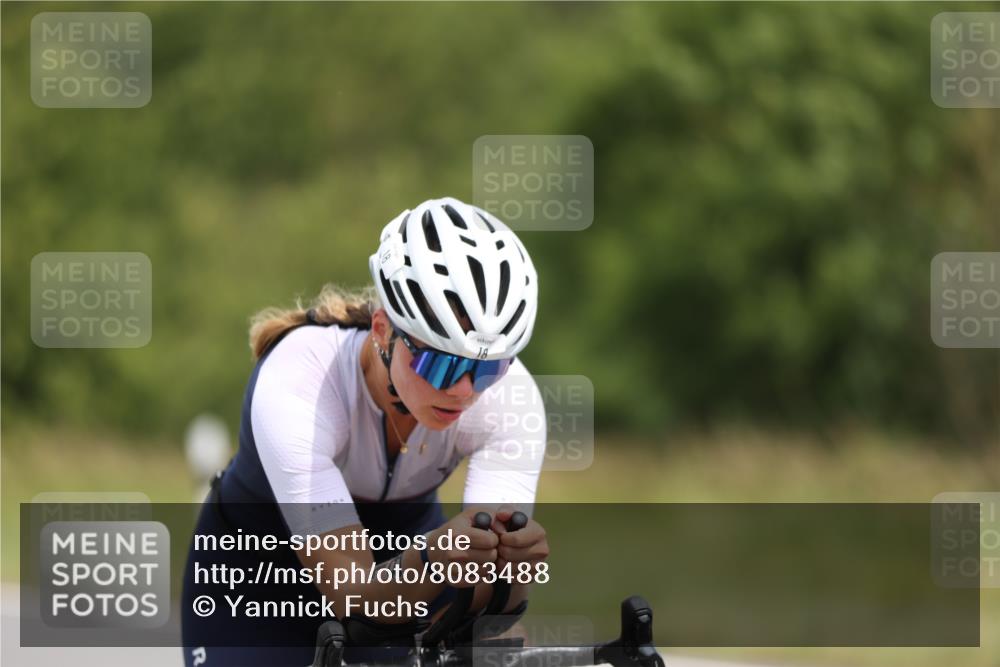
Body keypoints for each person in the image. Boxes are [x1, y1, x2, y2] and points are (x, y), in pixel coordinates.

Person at [181, 196, 550, 667]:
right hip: (259, 579)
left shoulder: (511, 397)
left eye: (487, 369)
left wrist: (510, 580)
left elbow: (484, 615)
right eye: (440, 364)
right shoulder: (301, 379)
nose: (463, 391)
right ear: (382, 330)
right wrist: (433, 560)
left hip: (404, 564)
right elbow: (354, 597)